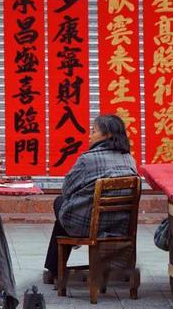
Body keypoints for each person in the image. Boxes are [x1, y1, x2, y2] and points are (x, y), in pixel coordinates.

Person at [43, 114, 138, 284]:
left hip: (89, 226)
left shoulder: (87, 159)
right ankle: (53, 269)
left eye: (94, 131)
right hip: (120, 225)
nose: (90, 135)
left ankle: (55, 270)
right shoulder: (129, 160)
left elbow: (67, 188)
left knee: (60, 203)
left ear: (107, 135)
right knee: (64, 213)